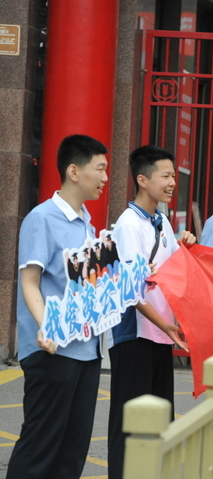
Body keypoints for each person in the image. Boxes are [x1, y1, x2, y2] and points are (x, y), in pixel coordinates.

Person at [7, 134, 109, 479]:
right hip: (52, 351)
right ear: (74, 172)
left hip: (87, 350)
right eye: (100, 168)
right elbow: (29, 283)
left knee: (73, 448)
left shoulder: (88, 222)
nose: (105, 178)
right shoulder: (42, 218)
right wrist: (47, 327)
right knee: (41, 444)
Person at [106, 145, 196, 479]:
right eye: (166, 176)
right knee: (129, 421)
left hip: (158, 334)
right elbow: (130, 291)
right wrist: (167, 326)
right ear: (142, 180)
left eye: (174, 175)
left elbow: (174, 269)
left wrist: (184, 245)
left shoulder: (160, 221)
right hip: (135, 335)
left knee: (160, 419)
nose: (173, 182)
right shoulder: (128, 225)